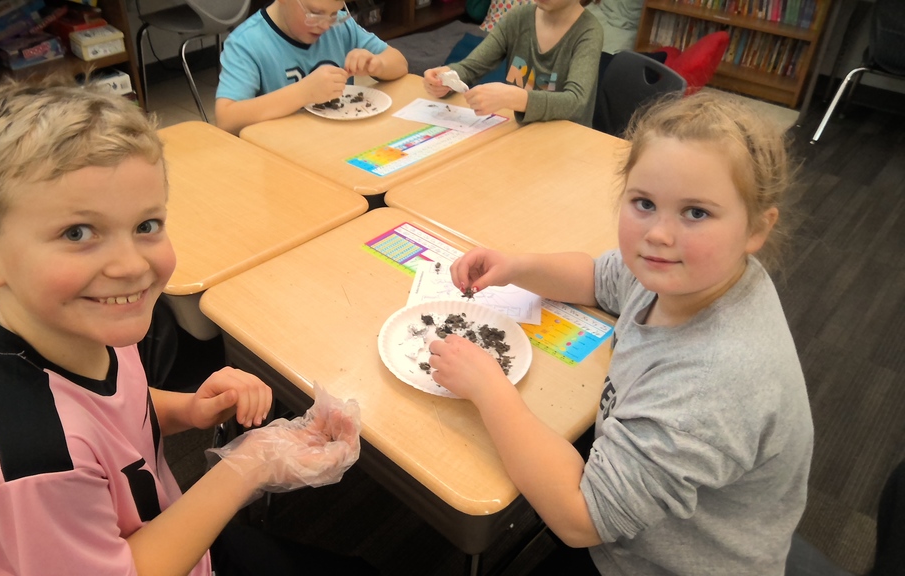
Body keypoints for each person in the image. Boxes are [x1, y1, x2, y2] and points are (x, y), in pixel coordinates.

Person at [0, 80, 362, 575]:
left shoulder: (86, 328)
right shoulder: (33, 467)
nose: (131, 266)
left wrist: (189, 409)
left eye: (146, 225)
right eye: (78, 233)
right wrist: (253, 464)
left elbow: (113, 412)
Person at [427, 91, 814, 574]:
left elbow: (579, 518)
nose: (658, 234)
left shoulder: (711, 385)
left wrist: (489, 388)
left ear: (757, 229)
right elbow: (596, 277)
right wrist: (516, 266)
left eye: (696, 213)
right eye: (644, 203)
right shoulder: (689, 272)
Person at [214, 0, 408, 135]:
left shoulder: (340, 27)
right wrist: (303, 93)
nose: (325, 25)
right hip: (278, 158)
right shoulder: (246, 42)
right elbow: (226, 118)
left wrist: (376, 64)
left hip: (338, 143)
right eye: (315, 13)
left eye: (334, 13)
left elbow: (399, 63)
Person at [422, 0, 603, 126]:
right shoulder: (519, 18)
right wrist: (446, 77)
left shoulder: (588, 32)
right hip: (518, 134)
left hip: (565, 142)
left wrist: (513, 97)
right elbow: (471, 66)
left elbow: (576, 102)